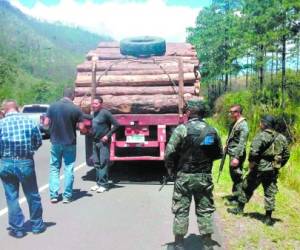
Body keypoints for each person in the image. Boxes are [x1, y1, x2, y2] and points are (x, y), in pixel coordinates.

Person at [165, 100, 223, 250]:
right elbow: (218, 154)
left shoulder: (181, 130)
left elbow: (169, 153)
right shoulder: (213, 130)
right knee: (205, 211)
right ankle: (207, 244)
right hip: (204, 177)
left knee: (181, 210)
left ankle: (178, 245)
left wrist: (171, 170)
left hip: (184, 176)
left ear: (189, 113)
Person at [227, 115, 290, 226]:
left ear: (264, 124)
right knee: (270, 192)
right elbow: (286, 154)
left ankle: (239, 209)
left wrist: (252, 163)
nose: (260, 124)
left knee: (247, 187)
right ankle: (268, 218)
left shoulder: (261, 136)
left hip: (259, 168)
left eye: (261, 123)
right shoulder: (282, 138)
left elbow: (253, 152)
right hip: (273, 169)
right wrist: (279, 165)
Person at [0, 100, 45, 238]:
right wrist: (29, 151)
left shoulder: (1, 124)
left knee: (11, 196)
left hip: (5, 163)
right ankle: (37, 225)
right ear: (17, 109)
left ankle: (18, 228)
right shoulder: (29, 121)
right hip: (25, 161)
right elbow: (38, 141)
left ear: (4, 110)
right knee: (32, 194)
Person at [44, 87, 84, 203]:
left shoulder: (52, 106)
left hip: (55, 142)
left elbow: (46, 123)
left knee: (54, 168)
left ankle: (54, 195)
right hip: (70, 142)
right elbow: (81, 127)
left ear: (63, 94)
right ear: (73, 96)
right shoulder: (76, 109)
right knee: (69, 168)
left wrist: (51, 130)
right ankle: (67, 196)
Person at [90, 96, 120, 193]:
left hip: (103, 142)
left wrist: (107, 136)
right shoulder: (94, 113)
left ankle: (104, 184)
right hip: (95, 141)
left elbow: (117, 124)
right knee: (97, 163)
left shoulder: (105, 113)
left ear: (101, 104)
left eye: (96, 104)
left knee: (103, 163)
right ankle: (98, 183)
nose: (94, 105)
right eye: (93, 103)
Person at [226, 104, 249, 203]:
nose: (230, 114)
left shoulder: (243, 125)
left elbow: (242, 143)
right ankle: (235, 195)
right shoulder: (235, 123)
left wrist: (236, 157)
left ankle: (239, 198)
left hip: (237, 154)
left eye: (232, 112)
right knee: (234, 175)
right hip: (233, 153)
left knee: (237, 176)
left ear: (238, 113)